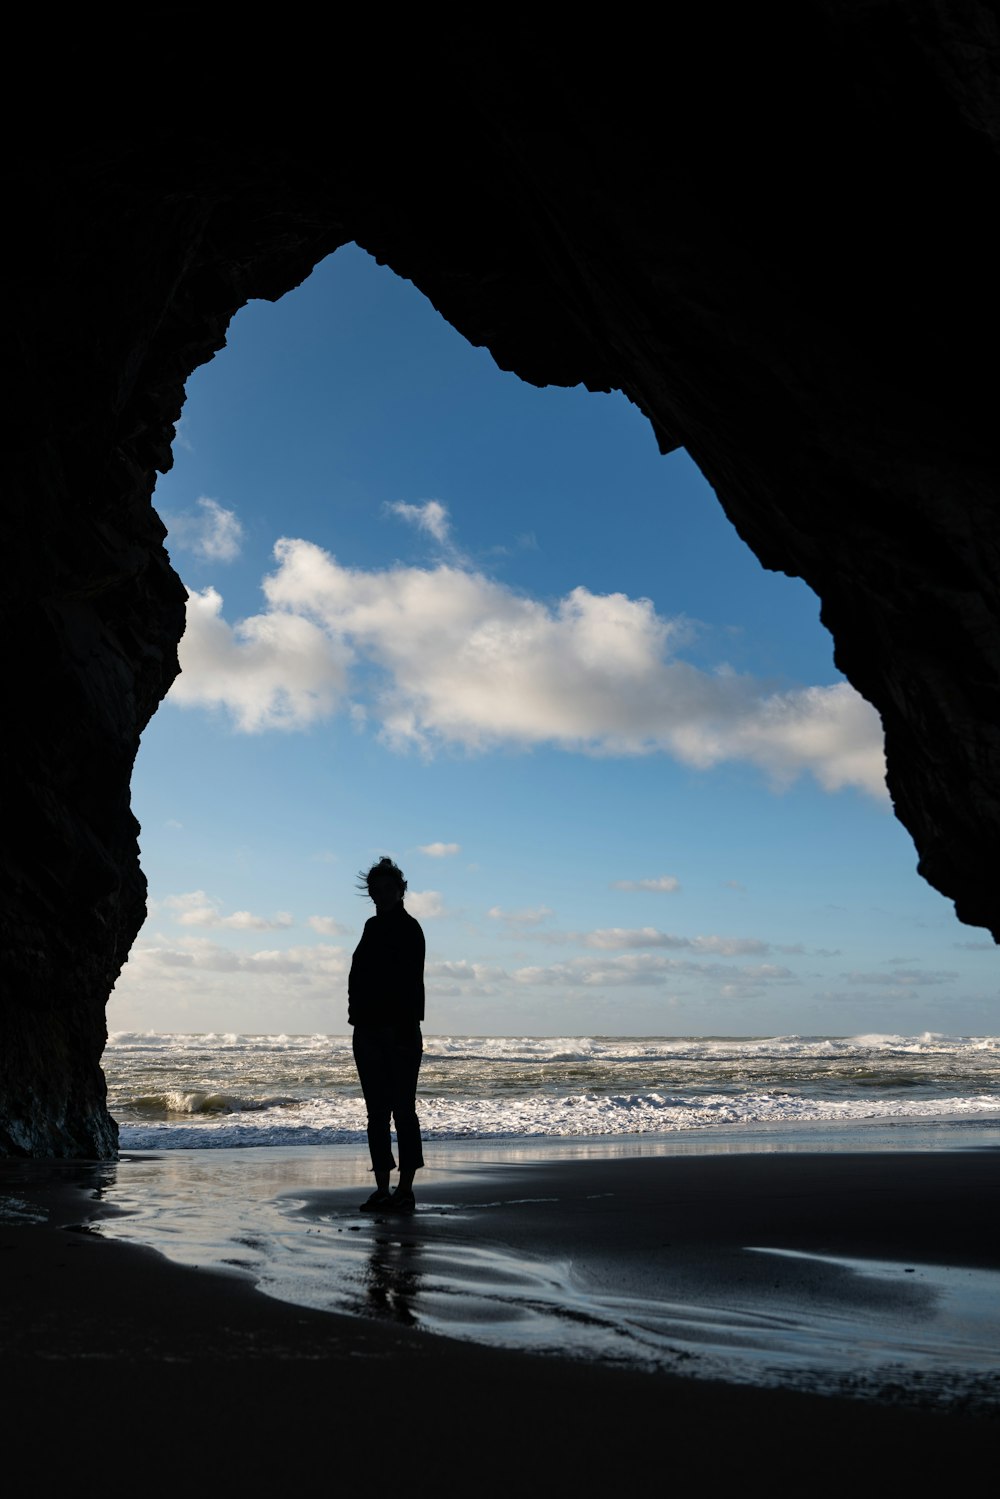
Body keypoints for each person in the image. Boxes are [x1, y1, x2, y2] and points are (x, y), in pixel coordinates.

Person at [348, 856, 426, 1213]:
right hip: (366, 1030)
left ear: (400, 890)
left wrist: (399, 1027)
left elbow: (409, 985)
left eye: (386, 889)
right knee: (376, 1114)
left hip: (400, 1032)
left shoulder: (410, 929)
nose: (379, 895)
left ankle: (405, 1190)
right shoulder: (370, 926)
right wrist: (356, 1018)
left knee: (403, 1112)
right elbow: (358, 974)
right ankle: (383, 1187)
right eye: (374, 890)